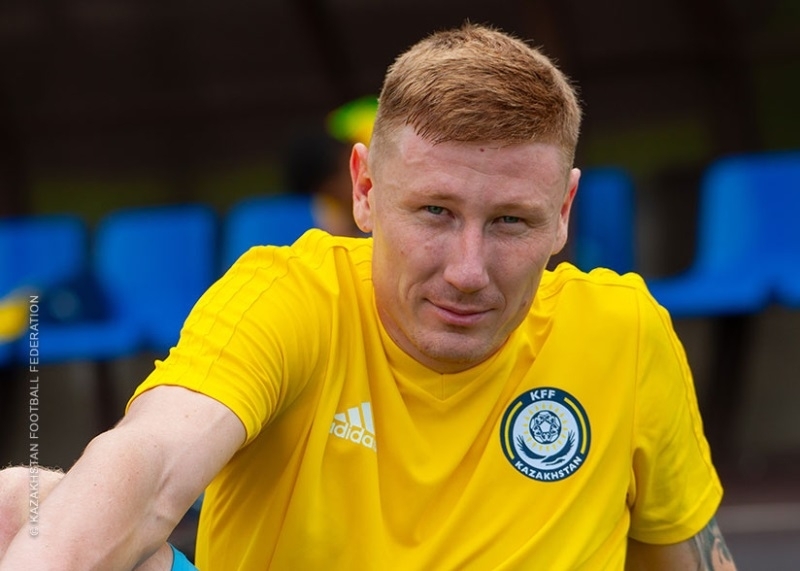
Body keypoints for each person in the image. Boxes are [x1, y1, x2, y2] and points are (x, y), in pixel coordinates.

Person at [0, 22, 736, 570]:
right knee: (19, 505)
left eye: (511, 221)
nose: (468, 270)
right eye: (435, 212)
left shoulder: (623, 331)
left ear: (564, 211)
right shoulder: (292, 295)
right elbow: (153, 460)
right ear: (364, 189)